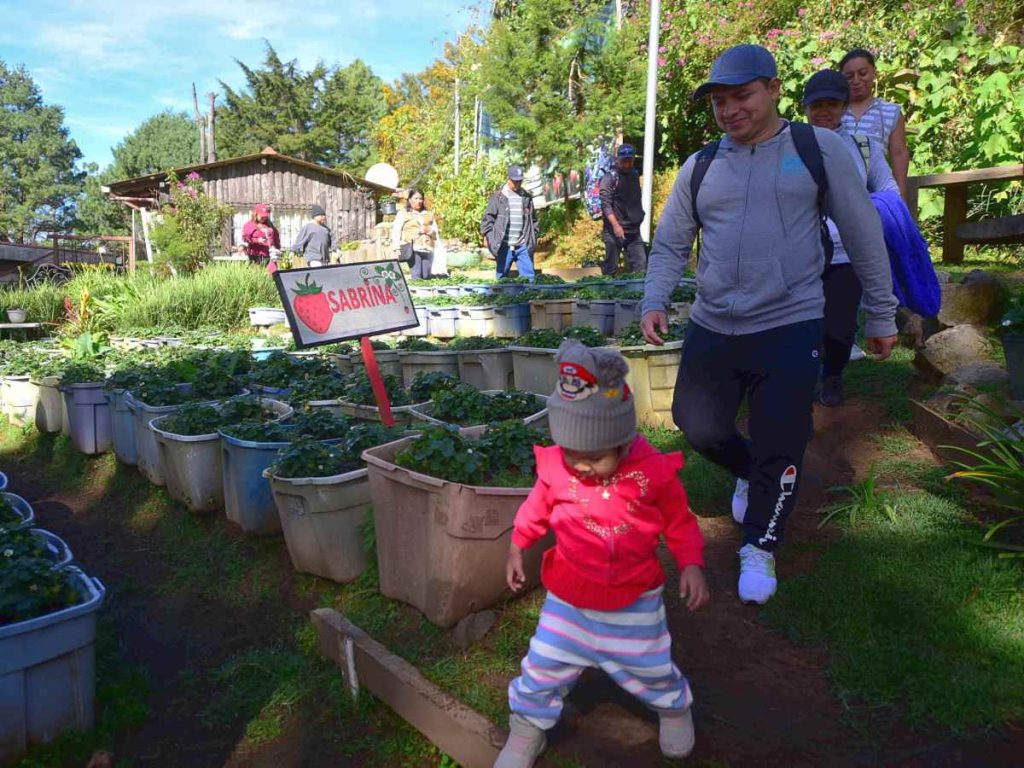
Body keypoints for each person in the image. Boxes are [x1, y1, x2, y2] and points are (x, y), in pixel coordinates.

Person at [640, 44, 898, 605]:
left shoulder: (817, 149)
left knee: (782, 439)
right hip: (714, 322)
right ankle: (753, 474)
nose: (729, 110)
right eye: (719, 101)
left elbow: (862, 232)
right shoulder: (701, 166)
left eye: (742, 96)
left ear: (775, 89)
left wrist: (880, 311)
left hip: (790, 321)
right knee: (697, 424)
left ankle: (760, 543)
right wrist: (653, 299)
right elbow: (671, 243)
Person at [496, 341, 708, 768]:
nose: (579, 466)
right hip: (569, 596)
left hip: (634, 597)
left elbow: (679, 521)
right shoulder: (557, 466)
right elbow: (536, 507)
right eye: (570, 453)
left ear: (623, 442)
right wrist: (518, 545)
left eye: (593, 457)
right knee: (544, 663)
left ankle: (672, 707)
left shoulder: (652, 472)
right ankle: (527, 726)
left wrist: (691, 564)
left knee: (649, 665)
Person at [804, 69, 899, 407]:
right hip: (801, 253)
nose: (824, 111)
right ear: (805, 108)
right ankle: (806, 376)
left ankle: (833, 375)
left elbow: (888, 190)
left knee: (840, 325)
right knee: (803, 323)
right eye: (816, 105)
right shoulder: (790, 147)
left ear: (844, 106)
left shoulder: (863, 147)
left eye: (832, 104)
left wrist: (861, 210)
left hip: (847, 253)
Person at [839, 48, 911, 199]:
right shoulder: (834, 112)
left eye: (863, 73)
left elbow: (899, 155)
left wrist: (900, 201)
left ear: (874, 73)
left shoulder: (891, 112)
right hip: (839, 193)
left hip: (876, 194)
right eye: (849, 76)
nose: (856, 80)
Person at [481, 165, 539, 282]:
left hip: (522, 246)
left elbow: (533, 220)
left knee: (530, 279)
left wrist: (533, 237)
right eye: (515, 181)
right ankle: (503, 294)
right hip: (504, 245)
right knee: (502, 280)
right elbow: (488, 219)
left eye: (520, 181)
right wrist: (488, 236)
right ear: (508, 179)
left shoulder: (526, 198)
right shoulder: (498, 197)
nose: (517, 184)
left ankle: (529, 294)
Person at [599, 143, 647, 275]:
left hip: (633, 231)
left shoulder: (634, 175)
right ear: (617, 160)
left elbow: (635, 199)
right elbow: (606, 205)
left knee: (641, 268)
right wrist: (616, 225)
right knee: (610, 269)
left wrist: (640, 216)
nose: (627, 165)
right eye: (624, 161)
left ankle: (637, 288)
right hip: (615, 231)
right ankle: (607, 287)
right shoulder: (609, 178)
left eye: (629, 161)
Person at [390, 189, 438, 279]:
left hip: (428, 249)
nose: (419, 201)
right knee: (417, 276)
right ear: (409, 200)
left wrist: (430, 231)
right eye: (416, 198)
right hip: (413, 249)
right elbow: (396, 231)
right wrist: (396, 248)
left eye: (421, 198)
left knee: (427, 276)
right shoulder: (403, 213)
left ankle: (426, 287)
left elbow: (435, 234)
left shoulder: (428, 214)